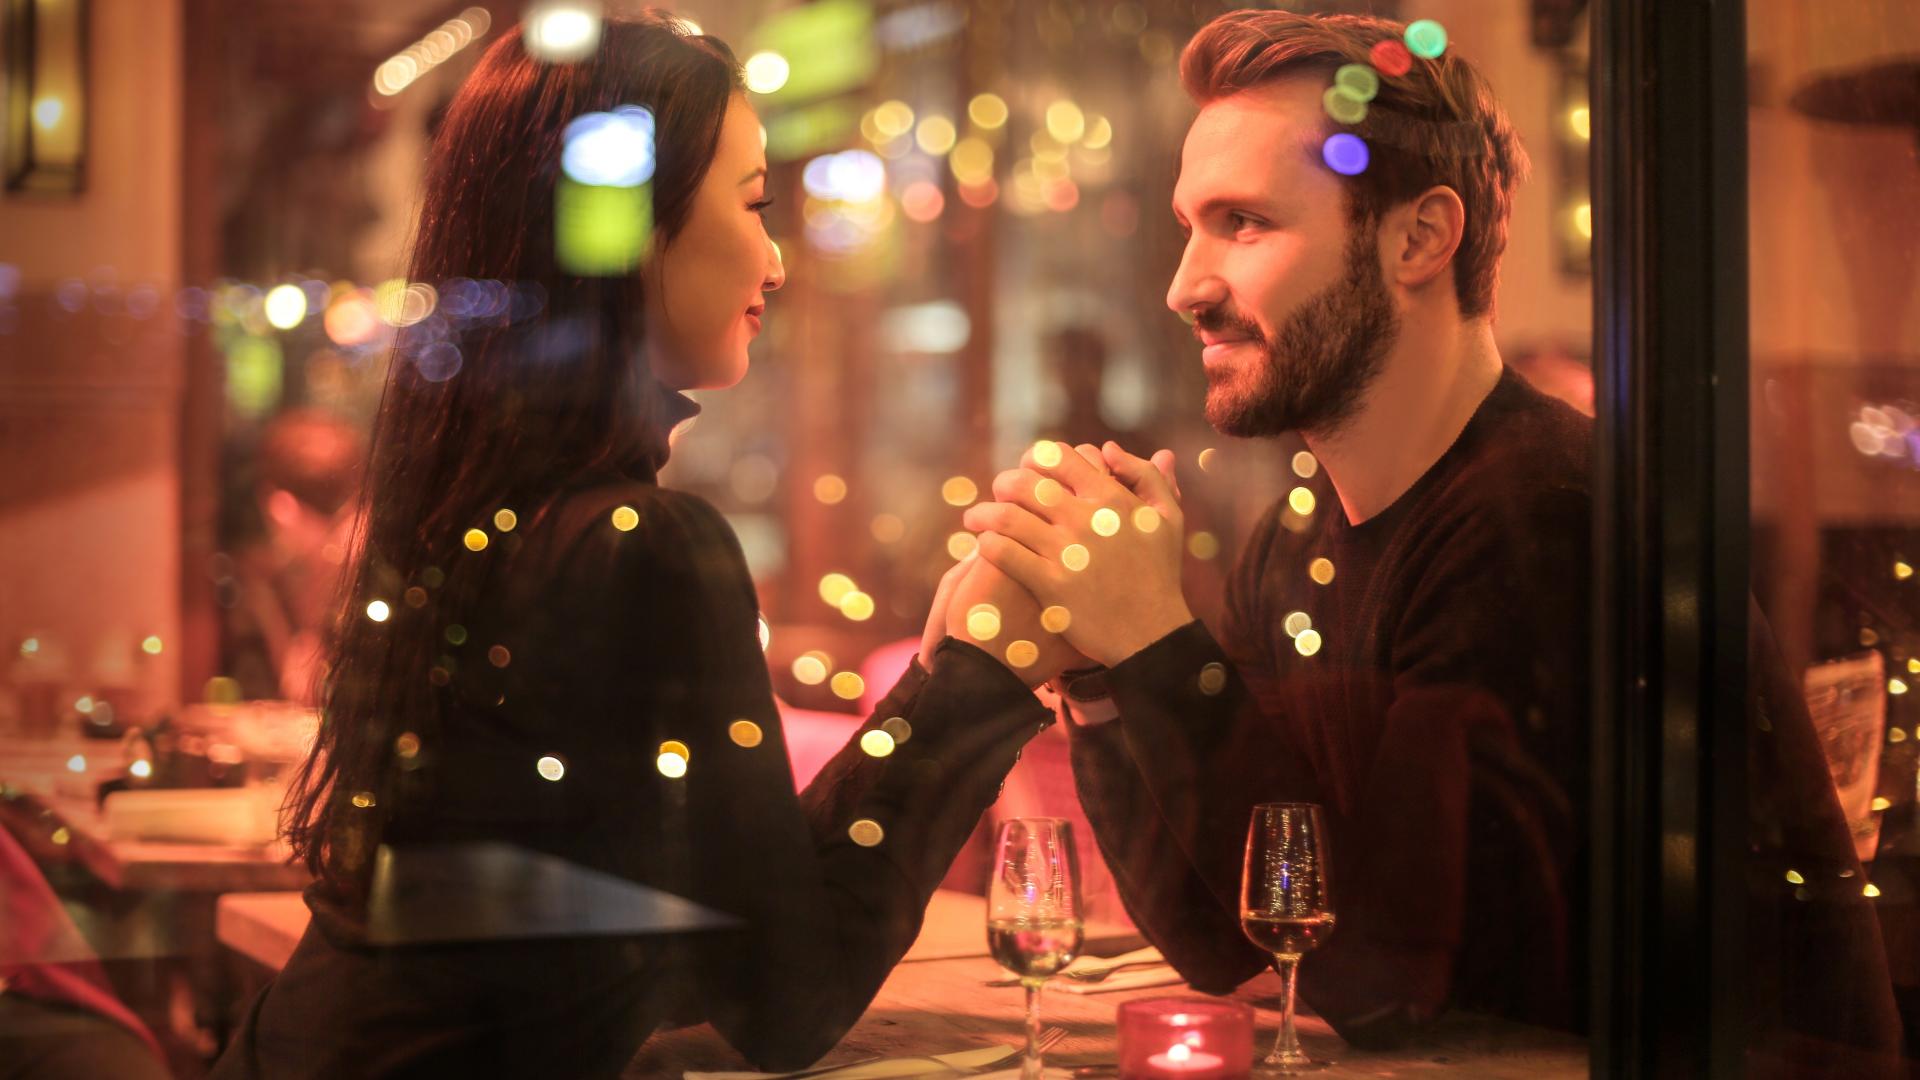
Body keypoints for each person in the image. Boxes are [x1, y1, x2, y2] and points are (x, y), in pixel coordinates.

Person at [957, 9, 1900, 1066]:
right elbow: (1233, 937)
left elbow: (1393, 982)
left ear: (1418, 238)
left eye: (1245, 223)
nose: (1186, 287)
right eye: (1191, 225)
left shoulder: (1542, 517)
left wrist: (1158, 649)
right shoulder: (1299, 534)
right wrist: (1099, 677)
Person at [214, 16, 1053, 1077]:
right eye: (753, 205)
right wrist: (984, 671)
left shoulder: (475, 512)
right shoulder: (638, 546)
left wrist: (941, 674)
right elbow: (785, 999)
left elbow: (731, 923)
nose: (778, 259)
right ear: (632, 231)